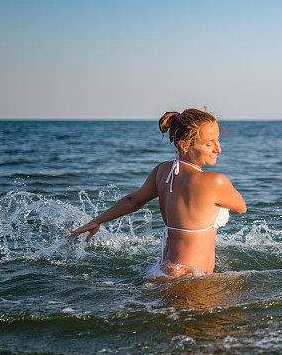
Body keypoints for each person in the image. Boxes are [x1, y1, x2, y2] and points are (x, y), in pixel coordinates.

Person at [66, 108, 246, 277]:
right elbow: (241, 208)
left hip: (161, 272)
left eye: (218, 140)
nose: (218, 149)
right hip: (189, 280)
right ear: (184, 145)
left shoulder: (162, 172)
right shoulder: (215, 181)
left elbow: (132, 201)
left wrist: (97, 221)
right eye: (209, 144)